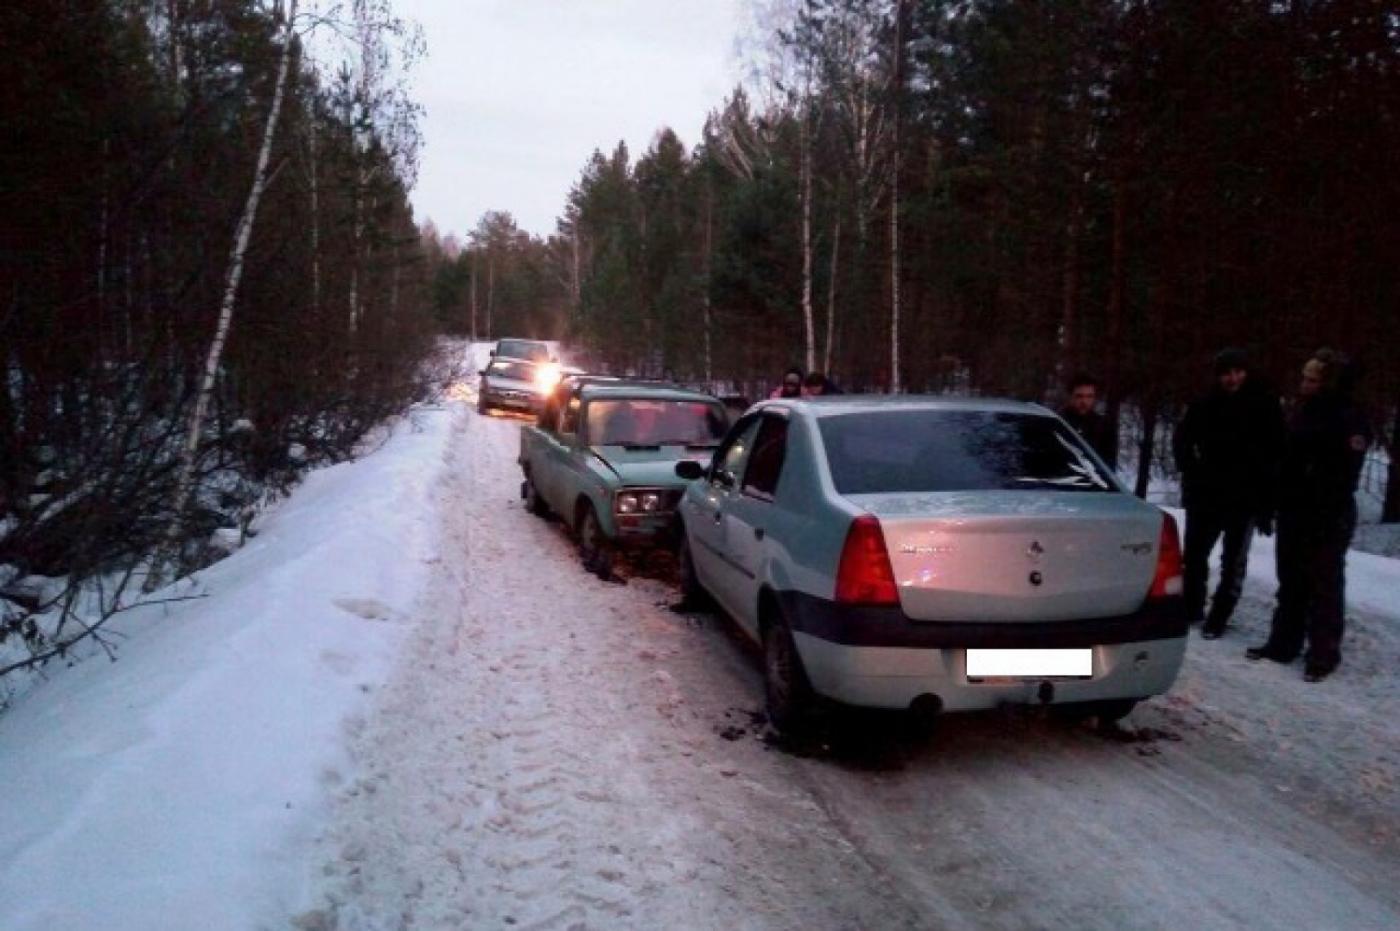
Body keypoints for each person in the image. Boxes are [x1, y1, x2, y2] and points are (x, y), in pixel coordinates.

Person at [1247, 349, 1372, 682]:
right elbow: (1285, 461)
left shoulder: (1349, 417)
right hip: (1295, 509)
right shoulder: (1302, 412)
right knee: (1291, 581)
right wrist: (1271, 502)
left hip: (1328, 513)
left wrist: (1312, 492)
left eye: (1312, 380)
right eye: (1305, 378)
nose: (1304, 384)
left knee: (1325, 585)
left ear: (1327, 384)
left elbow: (1343, 471)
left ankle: (1323, 654)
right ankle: (1283, 643)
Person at [1171, 348, 1286, 637]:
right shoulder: (1205, 402)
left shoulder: (1265, 405)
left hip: (1244, 497)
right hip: (1206, 493)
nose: (1233, 379)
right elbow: (1182, 439)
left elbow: (1276, 456)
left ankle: (1219, 616)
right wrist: (1191, 472)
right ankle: (1192, 606)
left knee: (1233, 563)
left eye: (1238, 372)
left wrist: (1267, 504)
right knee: (1195, 556)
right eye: (1227, 373)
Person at [1059, 374, 1117, 468]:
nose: (1084, 401)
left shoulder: (1104, 427)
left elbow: (1108, 466)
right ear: (1070, 396)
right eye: (1079, 396)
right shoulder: (1058, 423)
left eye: (1089, 396)